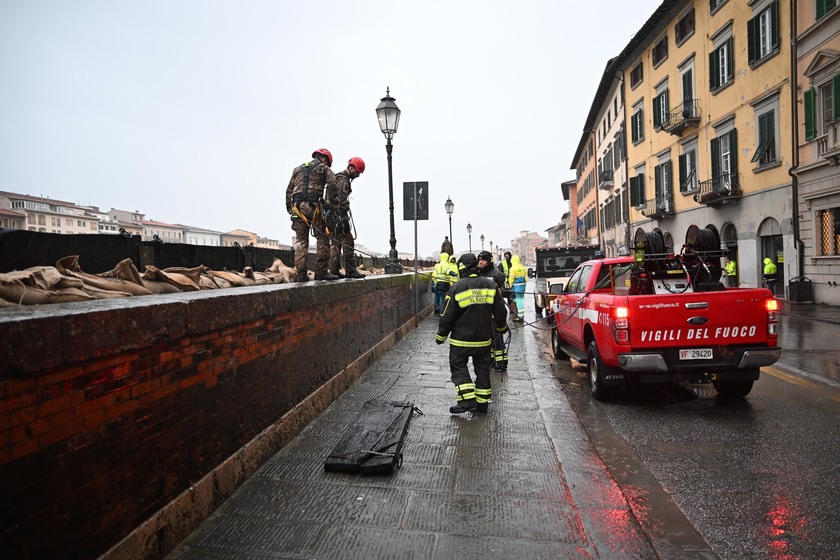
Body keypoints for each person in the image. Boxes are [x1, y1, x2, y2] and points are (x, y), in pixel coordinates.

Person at [436, 253, 509, 414]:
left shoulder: (457, 287)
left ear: (461, 268)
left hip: (461, 341)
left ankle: (467, 401)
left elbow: (447, 315)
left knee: (458, 366)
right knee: (483, 369)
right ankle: (482, 404)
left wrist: (441, 336)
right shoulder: (490, 286)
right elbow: (500, 311)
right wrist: (502, 328)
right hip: (484, 340)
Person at [286, 148, 338, 281]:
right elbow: (333, 185)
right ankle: (321, 272)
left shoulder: (297, 169)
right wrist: (329, 204)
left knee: (301, 241)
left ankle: (301, 274)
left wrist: (290, 209)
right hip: (314, 208)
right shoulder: (324, 168)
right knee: (322, 238)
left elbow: (289, 191)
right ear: (325, 159)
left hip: (297, 209)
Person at [326, 157, 365, 279]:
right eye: (357, 172)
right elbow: (341, 200)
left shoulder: (337, 177)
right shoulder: (343, 180)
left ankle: (334, 271)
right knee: (348, 242)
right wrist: (343, 218)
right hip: (338, 215)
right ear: (352, 168)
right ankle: (350, 271)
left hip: (331, 216)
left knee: (335, 243)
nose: (357, 176)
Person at [478, 250, 508, 372]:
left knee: (497, 339)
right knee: (486, 340)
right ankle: (490, 361)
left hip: (494, 313)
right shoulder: (476, 274)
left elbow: (506, 290)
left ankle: (501, 363)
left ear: (489, 261)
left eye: (483, 260)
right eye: (479, 259)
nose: (480, 262)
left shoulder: (498, 275)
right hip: (481, 314)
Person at [508, 254, 528, 323]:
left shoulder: (512, 269)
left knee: (518, 301)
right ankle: (521, 315)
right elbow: (526, 278)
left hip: (516, 288)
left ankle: (520, 317)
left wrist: (510, 286)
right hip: (522, 287)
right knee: (521, 301)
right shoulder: (523, 268)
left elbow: (511, 279)